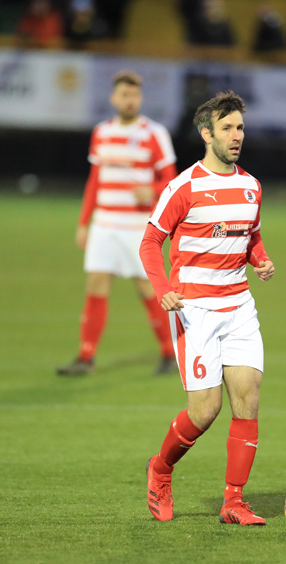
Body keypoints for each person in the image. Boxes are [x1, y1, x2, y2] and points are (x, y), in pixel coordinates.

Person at [139, 91, 275, 526]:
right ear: (206, 134)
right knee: (205, 412)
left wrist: (261, 259)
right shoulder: (184, 186)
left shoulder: (251, 186)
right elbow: (149, 242)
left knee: (248, 399)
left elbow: (248, 235)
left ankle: (234, 501)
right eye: (227, 129)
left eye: (240, 128)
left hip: (239, 307)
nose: (237, 137)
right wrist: (163, 288)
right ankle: (161, 470)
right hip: (194, 310)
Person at [56, 71, 178, 377]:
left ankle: (170, 352)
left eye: (134, 95)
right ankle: (86, 358)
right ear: (114, 98)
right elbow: (95, 181)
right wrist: (84, 222)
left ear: (141, 99)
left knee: (147, 289)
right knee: (96, 284)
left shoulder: (154, 133)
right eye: (124, 95)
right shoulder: (102, 133)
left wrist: (152, 190)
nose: (129, 100)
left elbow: (173, 181)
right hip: (105, 223)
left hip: (138, 225)